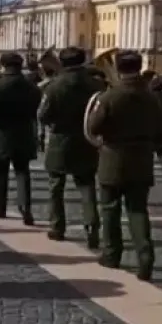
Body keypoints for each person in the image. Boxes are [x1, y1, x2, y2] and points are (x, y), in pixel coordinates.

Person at [87, 50, 162, 278]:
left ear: (118, 68)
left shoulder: (110, 97)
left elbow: (94, 127)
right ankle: (145, 255)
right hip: (142, 158)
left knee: (110, 209)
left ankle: (112, 255)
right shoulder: (152, 97)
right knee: (138, 209)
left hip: (113, 157)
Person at [37, 46, 100, 247]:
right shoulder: (96, 84)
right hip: (86, 140)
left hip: (60, 140)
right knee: (87, 185)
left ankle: (57, 227)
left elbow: (43, 115)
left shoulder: (54, 86)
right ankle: (92, 227)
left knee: (56, 185)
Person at [0, 51, 41, 223]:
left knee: (0, 171)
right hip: (25, 132)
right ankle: (25, 208)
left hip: (2, 133)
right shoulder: (32, 87)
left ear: (4, 65)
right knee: (23, 172)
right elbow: (38, 107)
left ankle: (0, 207)